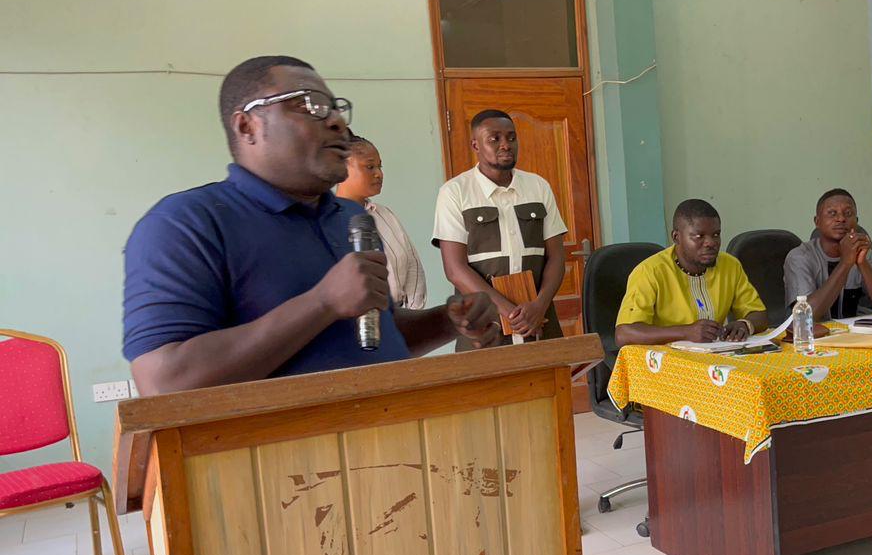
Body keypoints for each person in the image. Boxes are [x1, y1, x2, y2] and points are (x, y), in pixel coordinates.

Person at [122, 55, 499, 396]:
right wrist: (322, 302)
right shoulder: (185, 224)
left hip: (388, 443)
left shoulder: (350, 218)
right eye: (309, 105)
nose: (336, 121)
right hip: (274, 467)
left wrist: (445, 321)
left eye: (337, 108)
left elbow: (366, 338)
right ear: (247, 126)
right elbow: (162, 381)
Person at [433, 110, 567, 344]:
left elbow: (556, 257)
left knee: (550, 379)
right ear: (475, 145)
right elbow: (455, 269)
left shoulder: (538, 186)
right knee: (488, 381)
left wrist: (539, 306)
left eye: (511, 138)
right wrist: (510, 312)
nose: (505, 145)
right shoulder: (455, 192)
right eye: (494, 139)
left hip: (539, 320)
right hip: (484, 326)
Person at [615, 199, 770, 347]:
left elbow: (759, 314)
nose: (710, 243)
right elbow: (624, 334)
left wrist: (745, 324)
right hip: (663, 362)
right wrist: (685, 332)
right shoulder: (650, 272)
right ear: (676, 237)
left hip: (716, 358)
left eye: (716, 234)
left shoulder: (730, 265)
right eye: (699, 236)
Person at [335, 132, 428, 309]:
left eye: (380, 166)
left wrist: (412, 315)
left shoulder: (385, 215)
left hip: (401, 322)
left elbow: (413, 268)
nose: (379, 174)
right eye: (369, 167)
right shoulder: (330, 220)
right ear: (342, 169)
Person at [784, 188, 872, 319]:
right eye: (832, 213)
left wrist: (862, 263)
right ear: (817, 221)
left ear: (856, 220)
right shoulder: (799, 257)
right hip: (815, 335)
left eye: (848, 213)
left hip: (855, 332)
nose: (841, 218)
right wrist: (845, 263)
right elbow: (805, 317)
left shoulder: (864, 253)